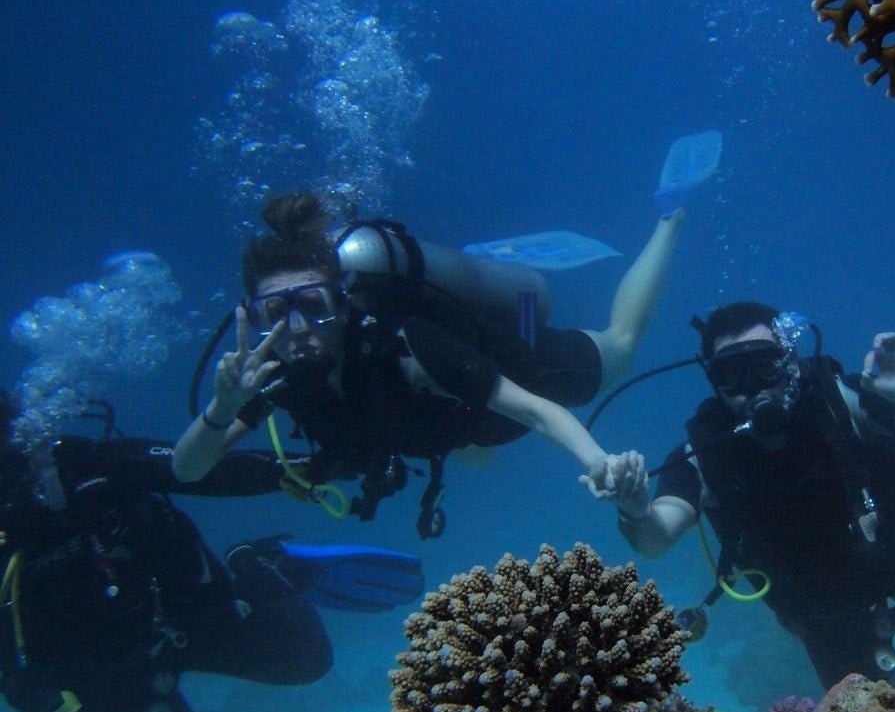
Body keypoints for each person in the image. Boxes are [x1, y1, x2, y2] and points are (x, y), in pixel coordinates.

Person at [0, 394, 423, 712]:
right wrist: (20, 687)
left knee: (307, 659)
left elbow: (193, 468)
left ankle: (259, 563)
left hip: (181, 618)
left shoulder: (78, 463)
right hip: (99, 686)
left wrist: (305, 468)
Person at [173, 190, 690, 531]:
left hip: (520, 370)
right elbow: (188, 469)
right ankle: (481, 273)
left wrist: (599, 463)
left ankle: (671, 216)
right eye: (276, 312)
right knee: (475, 452)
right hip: (457, 427)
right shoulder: (266, 376)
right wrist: (223, 406)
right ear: (254, 317)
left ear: (343, 300)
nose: (299, 328)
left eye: (313, 306)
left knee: (621, 344)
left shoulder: (409, 342)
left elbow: (535, 411)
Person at [601, 301, 895, 692]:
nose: (752, 386)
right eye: (731, 372)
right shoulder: (704, 453)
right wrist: (635, 509)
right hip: (828, 615)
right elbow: (657, 538)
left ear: (790, 360)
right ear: (713, 380)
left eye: (765, 363)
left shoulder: (842, 399)